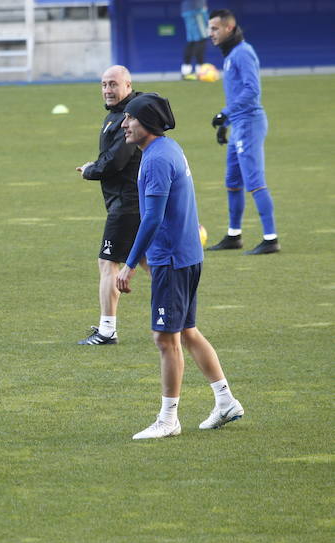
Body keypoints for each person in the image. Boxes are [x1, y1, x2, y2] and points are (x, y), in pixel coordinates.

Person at [116, 93, 244, 440]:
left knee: (164, 338)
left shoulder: (156, 159)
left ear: (149, 124)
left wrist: (128, 265)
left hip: (171, 259)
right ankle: (225, 400)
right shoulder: (169, 148)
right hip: (186, 256)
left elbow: (153, 218)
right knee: (186, 331)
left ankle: (168, 419)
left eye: (131, 119)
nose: (125, 124)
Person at [76, 65, 144, 345]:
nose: (108, 90)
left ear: (127, 85)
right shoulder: (117, 115)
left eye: (114, 84)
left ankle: (107, 331)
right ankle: (180, 317)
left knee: (108, 262)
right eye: (104, 84)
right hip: (129, 201)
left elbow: (117, 160)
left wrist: (91, 170)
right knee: (150, 262)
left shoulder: (130, 117)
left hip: (126, 204)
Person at [206, 8, 280, 255]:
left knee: (254, 181)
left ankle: (271, 239)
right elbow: (238, 92)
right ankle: (233, 235)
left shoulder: (243, 53)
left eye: (215, 29)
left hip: (249, 123)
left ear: (229, 28)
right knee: (233, 182)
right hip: (238, 124)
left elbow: (252, 92)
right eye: (210, 29)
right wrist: (226, 125)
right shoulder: (231, 54)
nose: (211, 34)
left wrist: (225, 113)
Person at [180, 0, 209, 80]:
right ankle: (200, 72)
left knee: (192, 41)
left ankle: (186, 72)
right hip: (197, 10)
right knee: (201, 39)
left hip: (188, 9)